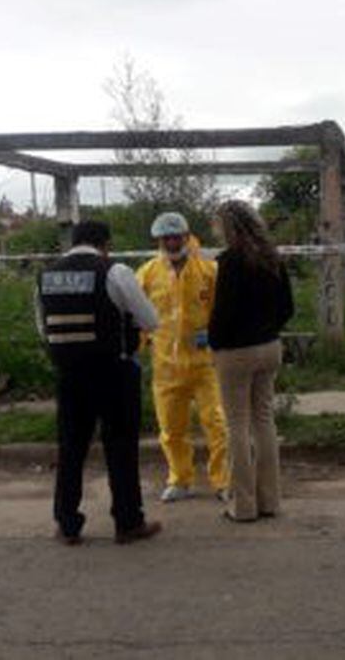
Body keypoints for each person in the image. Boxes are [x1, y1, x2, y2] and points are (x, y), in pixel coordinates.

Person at [37, 220, 162, 545]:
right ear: (105, 243)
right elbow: (151, 320)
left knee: (71, 449)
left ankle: (67, 524)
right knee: (120, 447)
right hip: (112, 371)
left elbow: (43, 328)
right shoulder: (114, 271)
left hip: (68, 374)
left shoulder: (46, 275)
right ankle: (128, 522)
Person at [209, 200, 294, 522]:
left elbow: (223, 313)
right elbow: (288, 307)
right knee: (264, 420)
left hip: (235, 352)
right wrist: (269, 329)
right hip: (270, 346)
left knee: (236, 425)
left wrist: (215, 344)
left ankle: (243, 506)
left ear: (227, 227)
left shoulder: (229, 262)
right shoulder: (273, 257)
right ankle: (270, 501)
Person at [136, 212, 230, 503]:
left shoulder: (209, 270)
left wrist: (220, 342)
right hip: (166, 366)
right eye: (166, 238)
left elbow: (223, 312)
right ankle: (180, 479)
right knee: (171, 429)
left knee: (217, 424)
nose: (171, 242)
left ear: (187, 236)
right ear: (159, 241)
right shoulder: (147, 274)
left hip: (205, 363)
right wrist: (134, 352)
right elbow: (138, 317)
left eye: (176, 237)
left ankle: (223, 481)